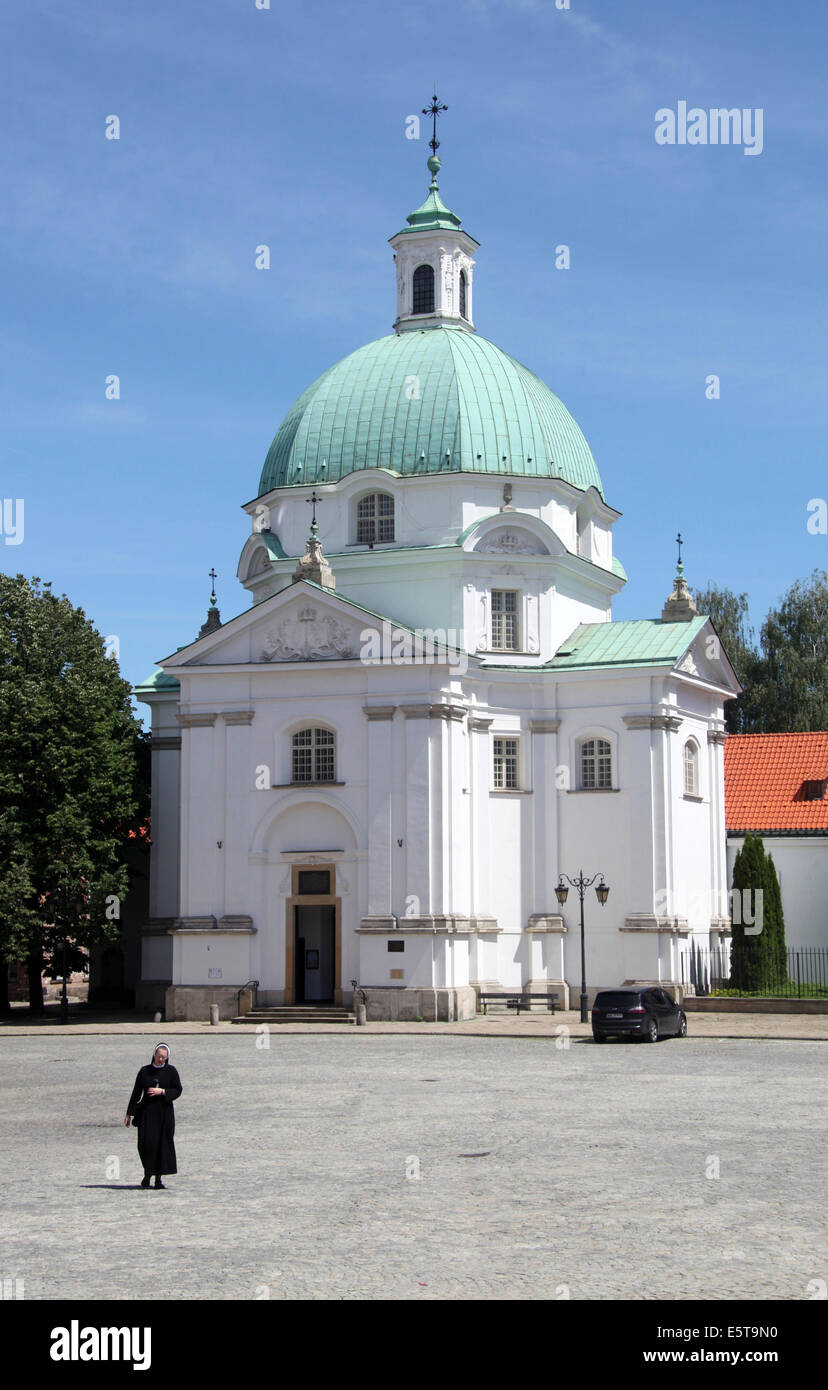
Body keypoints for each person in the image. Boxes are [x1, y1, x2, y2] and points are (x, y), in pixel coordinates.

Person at [124, 1042, 182, 1189]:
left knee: (161, 1146)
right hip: (147, 1114)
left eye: (164, 1057)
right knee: (146, 1145)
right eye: (159, 1056)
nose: (161, 1059)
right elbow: (136, 1092)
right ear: (154, 1055)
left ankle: (157, 1179)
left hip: (164, 1114)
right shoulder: (144, 1071)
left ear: (167, 1057)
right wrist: (129, 1113)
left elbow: (177, 1090)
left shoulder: (171, 1071)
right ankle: (147, 1174)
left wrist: (162, 1092)